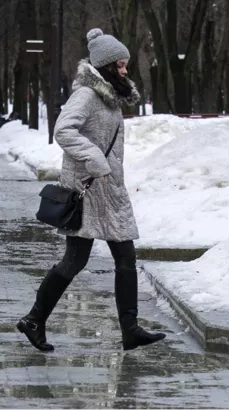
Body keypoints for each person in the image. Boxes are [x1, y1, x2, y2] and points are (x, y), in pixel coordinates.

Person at [16, 28, 165, 352]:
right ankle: (34, 319)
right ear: (107, 65)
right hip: (88, 190)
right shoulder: (86, 94)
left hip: (108, 191)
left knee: (123, 257)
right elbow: (63, 130)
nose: (126, 71)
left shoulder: (108, 95)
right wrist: (96, 159)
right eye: (121, 65)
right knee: (76, 261)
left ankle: (130, 329)